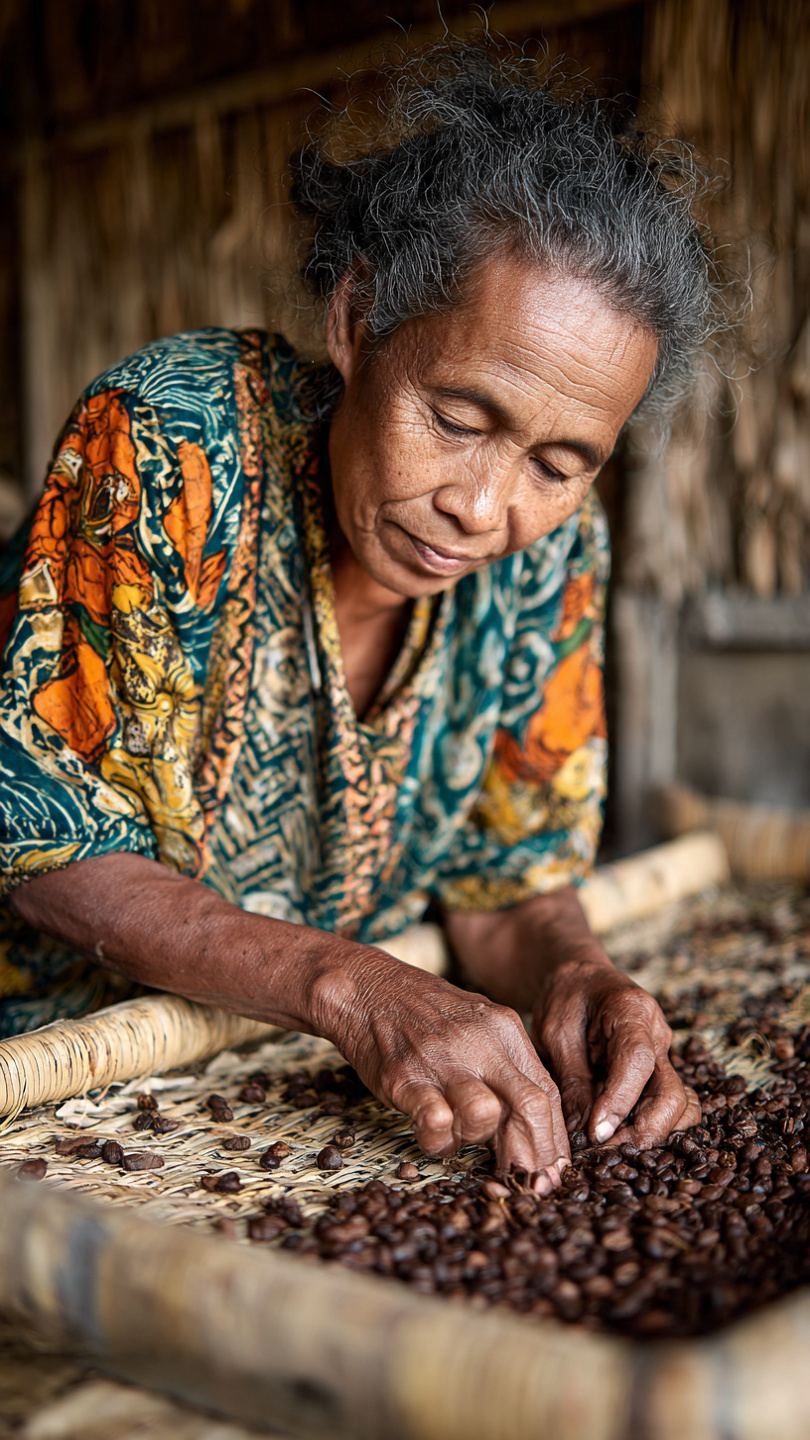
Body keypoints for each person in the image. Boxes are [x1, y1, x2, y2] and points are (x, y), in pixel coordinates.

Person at [0, 37, 720, 1190]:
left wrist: (573, 971)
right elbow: (47, 842)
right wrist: (356, 985)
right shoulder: (171, 445)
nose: (486, 508)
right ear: (359, 318)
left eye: (561, 462)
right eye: (459, 415)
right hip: (59, 1098)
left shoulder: (555, 560)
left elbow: (506, 879)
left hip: (297, 1117)